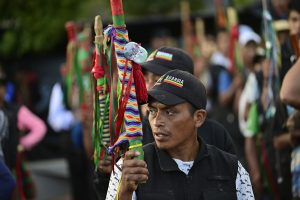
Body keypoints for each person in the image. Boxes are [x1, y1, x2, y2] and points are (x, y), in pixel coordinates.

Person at [114, 69, 254, 200]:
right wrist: (124, 193)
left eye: (169, 112)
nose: (157, 121)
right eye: (152, 111)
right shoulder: (130, 167)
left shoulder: (232, 169)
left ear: (198, 118)